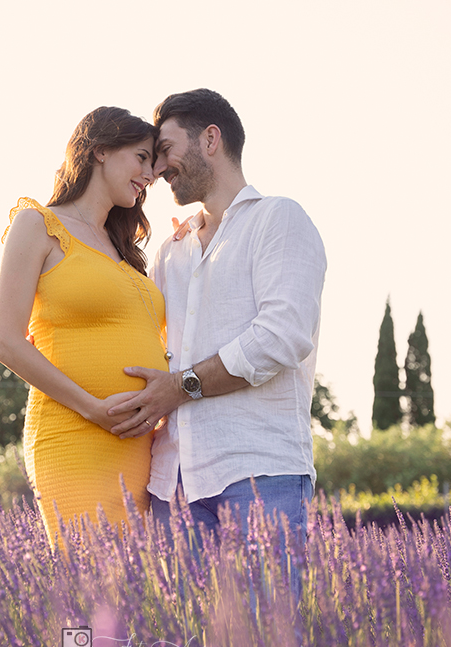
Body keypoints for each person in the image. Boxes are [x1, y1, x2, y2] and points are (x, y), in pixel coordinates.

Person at [106, 89, 327, 543]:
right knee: (179, 618)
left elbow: (280, 338)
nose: (158, 169)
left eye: (166, 150)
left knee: (266, 616)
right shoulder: (171, 252)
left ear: (210, 139)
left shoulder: (279, 219)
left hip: (260, 473)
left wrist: (181, 386)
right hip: (173, 483)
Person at [0, 107, 166, 543]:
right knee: (92, 587)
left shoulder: (124, 249)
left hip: (138, 444)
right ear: (101, 150)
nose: (150, 174)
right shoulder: (38, 225)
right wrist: (93, 408)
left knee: (135, 597)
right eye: (142, 157)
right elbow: (6, 342)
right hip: (75, 434)